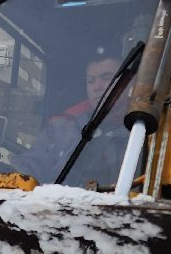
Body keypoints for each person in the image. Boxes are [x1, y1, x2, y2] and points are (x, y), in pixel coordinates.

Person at [32, 52, 128, 186]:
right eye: (91, 81)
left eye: (106, 78)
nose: (97, 87)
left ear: (128, 82)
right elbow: (33, 166)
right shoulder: (61, 127)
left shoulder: (142, 129)